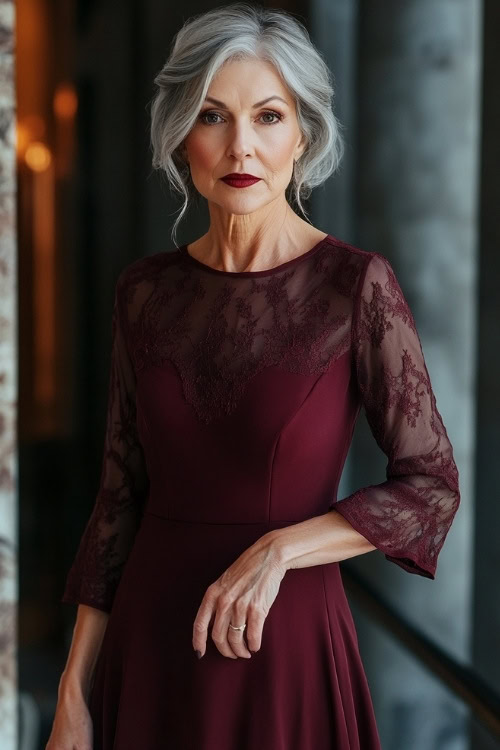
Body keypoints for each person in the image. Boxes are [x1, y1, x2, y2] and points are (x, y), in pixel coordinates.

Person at [47, 3, 461, 749]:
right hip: (149, 651)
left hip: (284, 645)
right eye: (213, 116)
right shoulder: (142, 292)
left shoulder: (355, 285)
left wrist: (280, 549)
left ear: (302, 135)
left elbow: (430, 486)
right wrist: (73, 693)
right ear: (181, 137)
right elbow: (118, 501)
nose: (242, 146)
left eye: (268, 116)